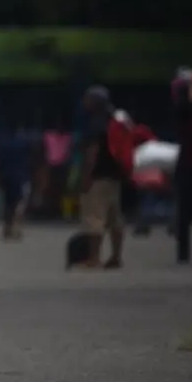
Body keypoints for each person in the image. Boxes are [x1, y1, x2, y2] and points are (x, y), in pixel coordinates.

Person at [78, 86, 124, 269]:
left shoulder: (95, 123)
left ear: (95, 102)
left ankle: (94, 258)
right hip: (114, 175)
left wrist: (86, 176)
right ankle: (116, 257)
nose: (84, 102)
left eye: (88, 99)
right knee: (115, 219)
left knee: (94, 218)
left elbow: (93, 152)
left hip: (98, 176)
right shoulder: (114, 120)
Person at [0, 127, 33, 240]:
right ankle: (16, 228)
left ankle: (8, 228)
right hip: (20, 176)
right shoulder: (24, 141)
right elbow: (30, 159)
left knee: (8, 203)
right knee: (20, 202)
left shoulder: (1, 141)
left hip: (5, 176)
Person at [174, 70, 192, 264]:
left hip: (188, 165)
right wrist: (191, 86)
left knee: (184, 211)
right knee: (184, 212)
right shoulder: (184, 111)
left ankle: (183, 253)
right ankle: (183, 253)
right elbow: (185, 107)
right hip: (188, 165)